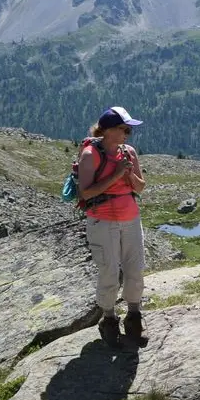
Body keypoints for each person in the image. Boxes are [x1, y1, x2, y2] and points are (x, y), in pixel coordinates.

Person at [79, 107, 147, 349]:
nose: (127, 134)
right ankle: (108, 319)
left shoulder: (128, 152)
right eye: (123, 129)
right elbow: (86, 192)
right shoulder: (90, 154)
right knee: (109, 271)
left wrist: (128, 175)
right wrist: (117, 174)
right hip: (102, 220)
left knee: (135, 268)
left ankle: (134, 316)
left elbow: (140, 187)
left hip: (130, 218)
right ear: (107, 130)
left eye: (128, 129)